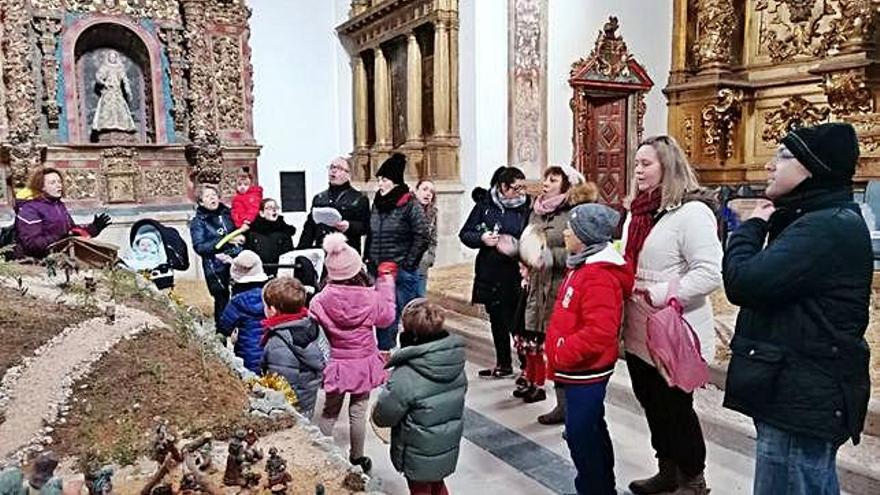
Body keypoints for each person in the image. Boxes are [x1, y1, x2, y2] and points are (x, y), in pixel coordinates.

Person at [723, 123, 872, 495]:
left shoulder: (824, 227)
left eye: (783, 156)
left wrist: (751, 225)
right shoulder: (814, 218)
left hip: (801, 393)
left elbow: (743, 282)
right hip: (795, 387)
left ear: (812, 167)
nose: (770, 166)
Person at [621, 136, 722, 495]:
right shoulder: (640, 212)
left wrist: (662, 291)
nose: (638, 170)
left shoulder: (691, 213)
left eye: (646, 163)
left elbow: (710, 272)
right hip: (638, 331)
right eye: (636, 164)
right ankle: (667, 470)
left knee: (677, 410)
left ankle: (693, 479)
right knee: (652, 405)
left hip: (674, 330)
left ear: (669, 165)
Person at [545, 203, 633, 495]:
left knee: (581, 435)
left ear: (585, 235)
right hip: (578, 370)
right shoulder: (582, 263)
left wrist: (562, 351)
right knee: (591, 429)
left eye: (571, 227)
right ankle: (600, 486)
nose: (566, 231)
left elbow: (600, 332)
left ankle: (594, 488)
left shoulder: (597, 275)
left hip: (587, 369)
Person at [311, 233, 396, 475]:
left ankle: (321, 452)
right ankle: (357, 457)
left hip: (337, 361)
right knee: (358, 410)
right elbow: (387, 317)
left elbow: (315, 324)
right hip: (363, 361)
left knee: (329, 411)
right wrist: (387, 285)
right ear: (358, 268)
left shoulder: (320, 299)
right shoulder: (370, 296)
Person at [372, 299, 467, 495]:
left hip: (416, 448)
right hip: (446, 442)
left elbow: (384, 416)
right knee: (438, 483)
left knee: (419, 489)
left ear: (409, 334)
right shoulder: (454, 362)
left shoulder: (406, 374)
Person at [459, 166, 530, 378]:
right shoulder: (485, 206)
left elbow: (534, 236)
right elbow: (465, 233)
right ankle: (503, 363)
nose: (520, 192)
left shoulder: (528, 207)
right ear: (503, 187)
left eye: (522, 187)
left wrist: (517, 246)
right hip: (491, 272)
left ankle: (528, 367)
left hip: (517, 272)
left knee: (519, 322)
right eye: (515, 188)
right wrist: (482, 239)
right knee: (497, 319)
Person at [516, 166, 576, 404]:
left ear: (564, 185)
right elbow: (528, 239)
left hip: (557, 283)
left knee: (553, 342)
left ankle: (559, 398)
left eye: (553, 180)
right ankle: (533, 383)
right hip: (535, 282)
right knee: (531, 338)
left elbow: (576, 250)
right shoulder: (536, 211)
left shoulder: (571, 213)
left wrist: (551, 257)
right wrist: (524, 259)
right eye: (545, 179)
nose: (546, 183)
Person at [365, 153, 429, 351]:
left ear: (394, 182)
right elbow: (372, 232)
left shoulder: (409, 204)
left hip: (400, 270)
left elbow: (422, 235)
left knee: (405, 316)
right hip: (378, 269)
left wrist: (408, 264)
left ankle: (411, 355)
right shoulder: (377, 203)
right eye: (379, 180)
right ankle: (385, 354)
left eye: (383, 180)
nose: (380, 184)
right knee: (384, 317)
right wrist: (368, 257)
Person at [260, 276, 326, 419]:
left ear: (272, 310)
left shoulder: (279, 342)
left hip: (289, 408)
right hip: (308, 399)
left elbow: (281, 383)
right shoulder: (310, 325)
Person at [13, 167, 111, 259]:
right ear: (42, 187)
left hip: (64, 256)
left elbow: (72, 230)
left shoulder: (58, 205)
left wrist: (93, 229)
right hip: (39, 263)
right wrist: (61, 239)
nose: (59, 185)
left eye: (59, 182)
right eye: (53, 182)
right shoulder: (30, 209)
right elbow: (32, 244)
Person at [189, 184, 244, 330]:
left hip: (237, 262)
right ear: (201, 202)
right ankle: (222, 335)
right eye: (207, 196)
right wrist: (225, 241)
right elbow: (200, 246)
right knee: (222, 302)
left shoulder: (228, 214)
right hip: (216, 267)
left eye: (214, 195)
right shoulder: (199, 222)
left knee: (242, 297)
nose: (212, 198)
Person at [298, 156, 371, 253]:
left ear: (348, 174)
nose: (333, 171)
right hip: (322, 251)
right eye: (332, 167)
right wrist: (300, 252)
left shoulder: (358, 199)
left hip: (346, 252)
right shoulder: (319, 198)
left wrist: (350, 226)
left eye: (339, 168)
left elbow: (366, 227)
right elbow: (309, 228)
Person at [218, 250, 268, 374]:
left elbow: (224, 327)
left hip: (247, 354)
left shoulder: (238, 301)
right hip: (271, 352)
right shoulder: (271, 296)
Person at [243, 198, 297, 277]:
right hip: (259, 275)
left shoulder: (284, 231)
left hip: (280, 274)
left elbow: (288, 255)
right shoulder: (253, 233)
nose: (274, 210)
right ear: (262, 213)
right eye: (270, 208)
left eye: (276, 208)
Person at [414, 180, 437, 297]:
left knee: (420, 299)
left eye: (431, 192)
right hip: (405, 267)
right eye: (424, 189)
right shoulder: (406, 210)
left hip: (422, 265)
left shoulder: (432, 213)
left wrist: (430, 258)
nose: (428, 194)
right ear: (416, 191)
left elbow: (433, 238)